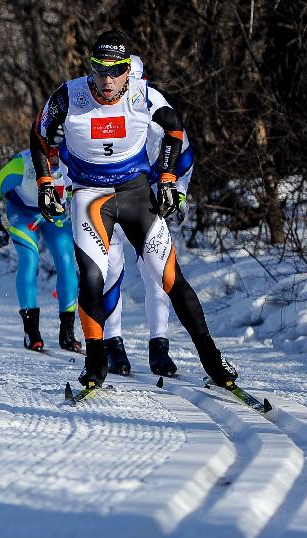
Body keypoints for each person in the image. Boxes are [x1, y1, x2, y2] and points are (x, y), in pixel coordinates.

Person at [29, 30, 238, 389]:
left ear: (128, 70)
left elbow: (175, 131)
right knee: (93, 276)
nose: (107, 80)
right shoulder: (70, 94)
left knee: (171, 278)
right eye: (100, 70)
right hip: (91, 196)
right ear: (91, 68)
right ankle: (96, 361)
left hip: (136, 194)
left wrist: (169, 180)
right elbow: (39, 134)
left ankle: (212, 359)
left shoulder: (145, 96)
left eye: (116, 71)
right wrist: (46, 184)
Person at [100, 54, 192, 377]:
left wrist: (177, 192)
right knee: (111, 268)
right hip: (108, 197)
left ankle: (159, 347)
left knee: (156, 272)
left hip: (146, 199)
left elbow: (184, 154)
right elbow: (77, 152)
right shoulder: (101, 108)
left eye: (137, 84)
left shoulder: (153, 107)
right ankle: (113, 347)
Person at [0, 148, 82, 353]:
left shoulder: (74, 159)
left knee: (66, 261)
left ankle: (67, 331)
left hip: (55, 213)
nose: (55, 159)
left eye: (60, 152)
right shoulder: (22, 165)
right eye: (50, 153)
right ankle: (32, 332)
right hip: (22, 212)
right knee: (30, 259)